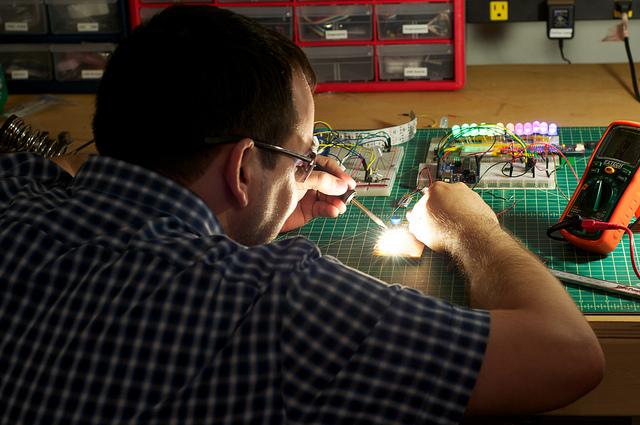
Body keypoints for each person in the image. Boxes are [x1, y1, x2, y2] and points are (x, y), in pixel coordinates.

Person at [0, 5, 603, 424]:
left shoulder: (19, 193)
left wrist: (257, 210)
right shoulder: (276, 305)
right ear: (241, 169)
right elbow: (567, 356)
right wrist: (471, 229)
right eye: (302, 154)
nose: (311, 167)